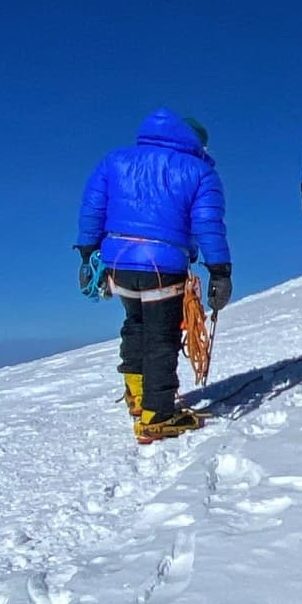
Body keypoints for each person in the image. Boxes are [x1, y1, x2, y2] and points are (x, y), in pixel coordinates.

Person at [75, 109, 232, 443]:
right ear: (196, 143)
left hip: (117, 261)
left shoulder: (115, 160)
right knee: (162, 337)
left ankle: (136, 394)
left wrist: (88, 252)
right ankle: (157, 415)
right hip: (164, 264)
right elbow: (208, 225)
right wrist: (220, 271)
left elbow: (92, 206)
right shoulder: (200, 172)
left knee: (135, 324)